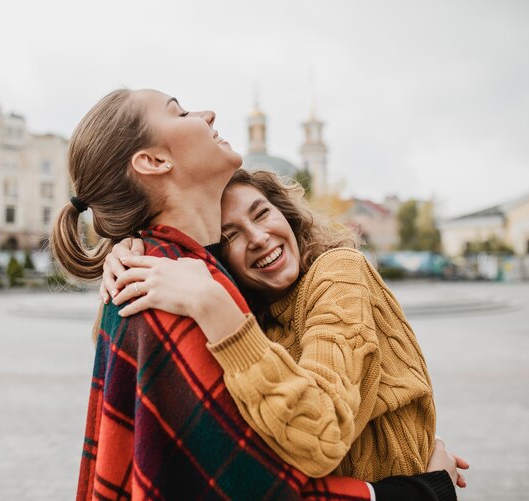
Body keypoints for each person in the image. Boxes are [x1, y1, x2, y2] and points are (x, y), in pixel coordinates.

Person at [51, 88, 467, 501]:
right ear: (154, 161)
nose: (209, 113)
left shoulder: (226, 288)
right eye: (179, 112)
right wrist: (424, 492)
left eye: (262, 212)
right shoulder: (180, 284)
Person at [103, 168, 438, 483]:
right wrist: (130, 254)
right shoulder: (256, 320)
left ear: (286, 214)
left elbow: (321, 435)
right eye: (230, 235)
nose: (259, 237)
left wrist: (213, 306)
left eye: (262, 213)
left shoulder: (339, 271)